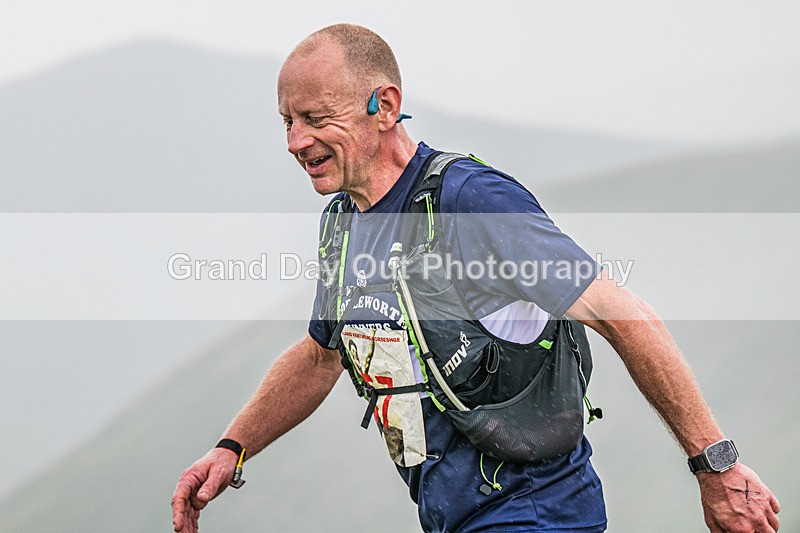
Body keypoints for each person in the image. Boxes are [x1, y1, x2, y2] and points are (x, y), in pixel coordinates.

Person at [172, 23, 780, 533]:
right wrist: (231, 448)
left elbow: (621, 314)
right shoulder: (343, 224)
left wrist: (716, 466)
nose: (295, 141)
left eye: (314, 117)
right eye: (286, 121)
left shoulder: (471, 201)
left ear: (382, 106)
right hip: (449, 517)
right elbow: (320, 357)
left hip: (537, 515)